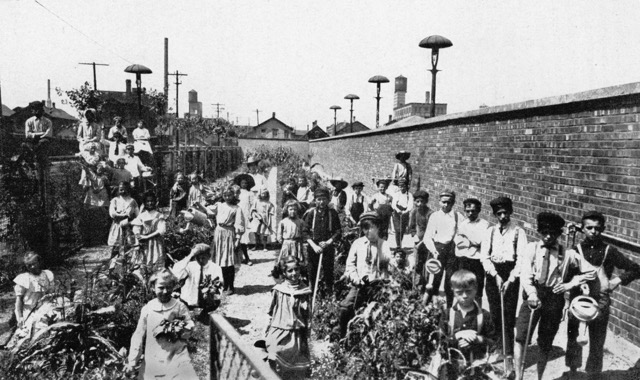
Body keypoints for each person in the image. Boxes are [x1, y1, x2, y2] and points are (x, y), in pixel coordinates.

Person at [513, 212, 596, 380]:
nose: (548, 237)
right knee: (521, 337)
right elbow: (525, 274)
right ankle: (518, 375)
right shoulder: (531, 248)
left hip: (554, 298)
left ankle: (539, 377)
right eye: (545, 232)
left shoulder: (567, 254)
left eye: (553, 233)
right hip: (533, 295)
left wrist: (569, 284)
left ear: (559, 234)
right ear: (539, 232)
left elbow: (591, 272)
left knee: (545, 341)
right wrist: (531, 293)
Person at [565, 211, 640, 378]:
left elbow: (635, 268)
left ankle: (593, 374)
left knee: (597, 343)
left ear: (603, 229)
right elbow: (565, 278)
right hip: (578, 303)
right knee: (573, 339)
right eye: (589, 228)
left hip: (600, 304)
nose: (593, 231)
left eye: (597, 228)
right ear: (582, 229)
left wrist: (616, 281)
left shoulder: (609, 251)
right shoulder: (575, 250)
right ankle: (573, 372)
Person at [479, 197, 527, 375]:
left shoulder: (518, 232)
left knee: (508, 316)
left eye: (506, 213)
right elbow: (484, 256)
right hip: (493, 275)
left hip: (510, 276)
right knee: (495, 314)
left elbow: (521, 259)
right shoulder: (490, 232)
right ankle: (499, 349)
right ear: (495, 214)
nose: (503, 216)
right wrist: (495, 275)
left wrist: (510, 279)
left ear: (510, 212)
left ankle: (510, 357)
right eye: (499, 213)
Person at [126, 269, 198, 380]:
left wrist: (180, 329)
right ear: (152, 288)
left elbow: (189, 326)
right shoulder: (148, 309)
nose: (165, 291)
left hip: (177, 356)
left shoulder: (179, 306)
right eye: (161, 287)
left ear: (173, 287)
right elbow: (139, 334)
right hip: (153, 359)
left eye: (168, 287)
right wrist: (132, 360)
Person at [335, 211, 395, 337]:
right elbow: (350, 265)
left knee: (380, 312)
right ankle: (342, 336)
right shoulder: (358, 243)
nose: (367, 232)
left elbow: (386, 269)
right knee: (345, 307)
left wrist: (382, 281)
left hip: (377, 287)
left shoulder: (384, 245)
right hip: (359, 285)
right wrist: (356, 279)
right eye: (365, 228)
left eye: (371, 228)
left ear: (378, 227)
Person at [264, 256, 312, 379]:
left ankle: (290, 374)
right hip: (279, 326)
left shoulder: (305, 291)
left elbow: (308, 313)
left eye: (296, 269)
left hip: (296, 329)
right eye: (290, 271)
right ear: (284, 273)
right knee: (273, 350)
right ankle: (271, 374)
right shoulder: (279, 290)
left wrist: (308, 325)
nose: (294, 273)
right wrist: (268, 326)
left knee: (294, 357)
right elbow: (271, 311)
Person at [420, 190, 464, 307]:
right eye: (443, 202)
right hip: (437, 249)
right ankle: (430, 306)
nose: (446, 205)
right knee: (434, 279)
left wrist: (457, 243)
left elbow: (462, 234)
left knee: (450, 279)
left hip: (451, 250)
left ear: (453, 203)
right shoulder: (434, 216)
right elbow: (427, 237)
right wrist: (434, 250)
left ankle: (448, 307)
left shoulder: (458, 216)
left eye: (449, 202)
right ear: (439, 202)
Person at [441, 269, 496, 365]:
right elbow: (439, 343)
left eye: (468, 291)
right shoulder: (447, 314)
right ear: (453, 290)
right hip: (451, 365)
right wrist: (456, 336)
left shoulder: (484, 315)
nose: (465, 296)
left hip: (476, 365)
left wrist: (479, 339)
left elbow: (493, 344)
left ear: (475, 289)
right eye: (459, 292)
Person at [206, 186, 245, 294]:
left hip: (229, 233)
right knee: (221, 261)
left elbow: (239, 224)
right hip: (219, 233)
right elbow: (208, 211)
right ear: (222, 196)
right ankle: (224, 284)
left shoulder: (236, 208)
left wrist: (237, 239)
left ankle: (231, 286)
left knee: (229, 261)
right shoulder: (219, 205)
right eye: (225, 195)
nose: (227, 197)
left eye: (230, 195)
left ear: (234, 196)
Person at [171, 243, 224, 323]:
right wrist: (190, 255)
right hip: (189, 299)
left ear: (209, 256)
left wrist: (212, 290)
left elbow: (220, 284)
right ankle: (189, 311)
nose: (201, 260)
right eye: (198, 258)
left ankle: (205, 312)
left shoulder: (215, 268)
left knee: (215, 300)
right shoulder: (190, 266)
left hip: (206, 299)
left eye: (203, 258)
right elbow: (176, 272)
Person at [303, 187, 341, 294]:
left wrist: (328, 242)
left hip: (328, 247)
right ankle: (312, 292)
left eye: (324, 199)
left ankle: (329, 293)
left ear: (328, 200)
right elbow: (305, 232)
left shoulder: (332, 213)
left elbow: (338, 231)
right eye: (319, 199)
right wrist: (314, 246)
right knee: (312, 271)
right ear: (315, 200)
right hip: (314, 247)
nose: (321, 202)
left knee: (328, 270)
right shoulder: (311, 213)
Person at [453, 198, 490, 306]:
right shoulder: (462, 224)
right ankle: (462, 309)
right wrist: (468, 241)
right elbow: (458, 242)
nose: (470, 213)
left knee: (477, 288)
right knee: (462, 285)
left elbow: (479, 240)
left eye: (473, 211)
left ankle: (477, 311)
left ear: (478, 211)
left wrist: (467, 239)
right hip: (463, 258)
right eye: (467, 211)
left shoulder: (484, 224)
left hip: (477, 260)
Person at [131, 191, 166, 269]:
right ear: (144, 203)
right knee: (143, 263)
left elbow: (161, 230)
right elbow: (136, 229)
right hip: (144, 244)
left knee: (156, 263)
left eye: (152, 201)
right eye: (147, 201)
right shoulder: (141, 216)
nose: (150, 203)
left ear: (155, 202)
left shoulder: (159, 215)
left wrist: (147, 237)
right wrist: (138, 239)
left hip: (156, 242)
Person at [107, 181, 140, 257]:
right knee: (116, 247)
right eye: (121, 189)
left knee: (128, 247)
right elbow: (112, 213)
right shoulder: (115, 200)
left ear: (129, 190)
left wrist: (133, 220)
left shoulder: (132, 201)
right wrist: (124, 215)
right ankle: (113, 264)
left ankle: (126, 264)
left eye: (125, 189)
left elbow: (137, 214)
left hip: (128, 226)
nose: (123, 191)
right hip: (117, 226)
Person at [23, 101, 52, 165]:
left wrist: (35, 135)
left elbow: (48, 134)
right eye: (34, 110)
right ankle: (30, 163)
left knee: (43, 142)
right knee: (24, 145)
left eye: (39, 109)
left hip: (43, 141)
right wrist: (40, 133)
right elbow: (27, 134)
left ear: (42, 110)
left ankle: (41, 161)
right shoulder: (29, 121)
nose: (37, 111)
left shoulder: (47, 121)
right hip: (32, 141)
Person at [391, 178, 414, 252]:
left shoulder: (409, 195)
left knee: (402, 229)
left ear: (406, 186)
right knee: (398, 229)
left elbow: (410, 205)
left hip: (405, 213)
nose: (402, 188)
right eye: (400, 186)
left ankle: (400, 243)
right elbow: (393, 204)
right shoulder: (397, 194)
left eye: (403, 186)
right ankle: (398, 245)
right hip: (397, 213)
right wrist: (398, 210)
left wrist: (406, 211)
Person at [237, 176, 255, 265]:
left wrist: (251, 214)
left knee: (243, 237)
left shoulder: (250, 193)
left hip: (245, 215)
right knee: (236, 237)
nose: (244, 184)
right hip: (236, 215)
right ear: (239, 184)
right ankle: (239, 258)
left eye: (246, 183)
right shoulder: (237, 192)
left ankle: (247, 258)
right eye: (242, 183)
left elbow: (252, 205)